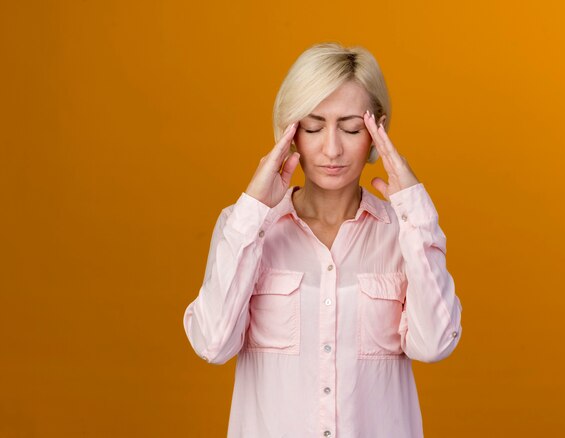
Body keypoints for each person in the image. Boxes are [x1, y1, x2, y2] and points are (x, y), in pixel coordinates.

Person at [183, 42, 463, 438]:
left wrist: (415, 209)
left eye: (350, 128)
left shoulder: (405, 233)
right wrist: (252, 210)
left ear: (376, 132)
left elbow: (435, 343)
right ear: (290, 133)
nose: (332, 149)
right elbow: (212, 342)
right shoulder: (245, 229)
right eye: (314, 127)